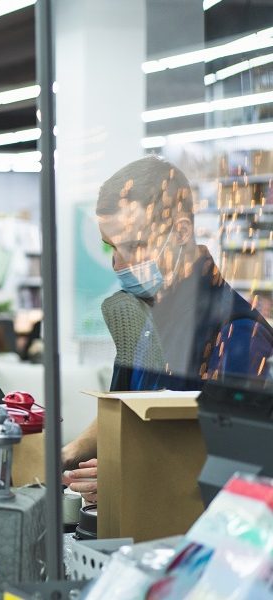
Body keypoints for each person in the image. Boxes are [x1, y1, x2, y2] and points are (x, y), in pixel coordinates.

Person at [62, 156, 273, 502]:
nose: (117, 263)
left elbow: (237, 470)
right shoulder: (145, 321)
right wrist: (67, 456)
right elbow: (122, 410)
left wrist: (128, 478)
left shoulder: (237, 336)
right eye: (111, 247)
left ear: (180, 232)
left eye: (131, 245)